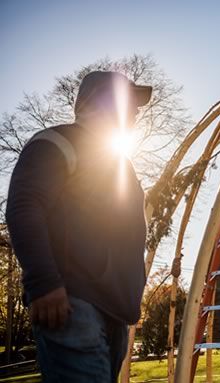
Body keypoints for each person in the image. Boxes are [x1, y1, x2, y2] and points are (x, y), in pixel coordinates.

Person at [6, 71, 151, 382]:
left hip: (115, 311)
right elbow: (24, 205)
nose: (137, 111)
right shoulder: (56, 142)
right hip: (73, 303)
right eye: (130, 102)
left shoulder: (118, 162)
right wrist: (43, 283)